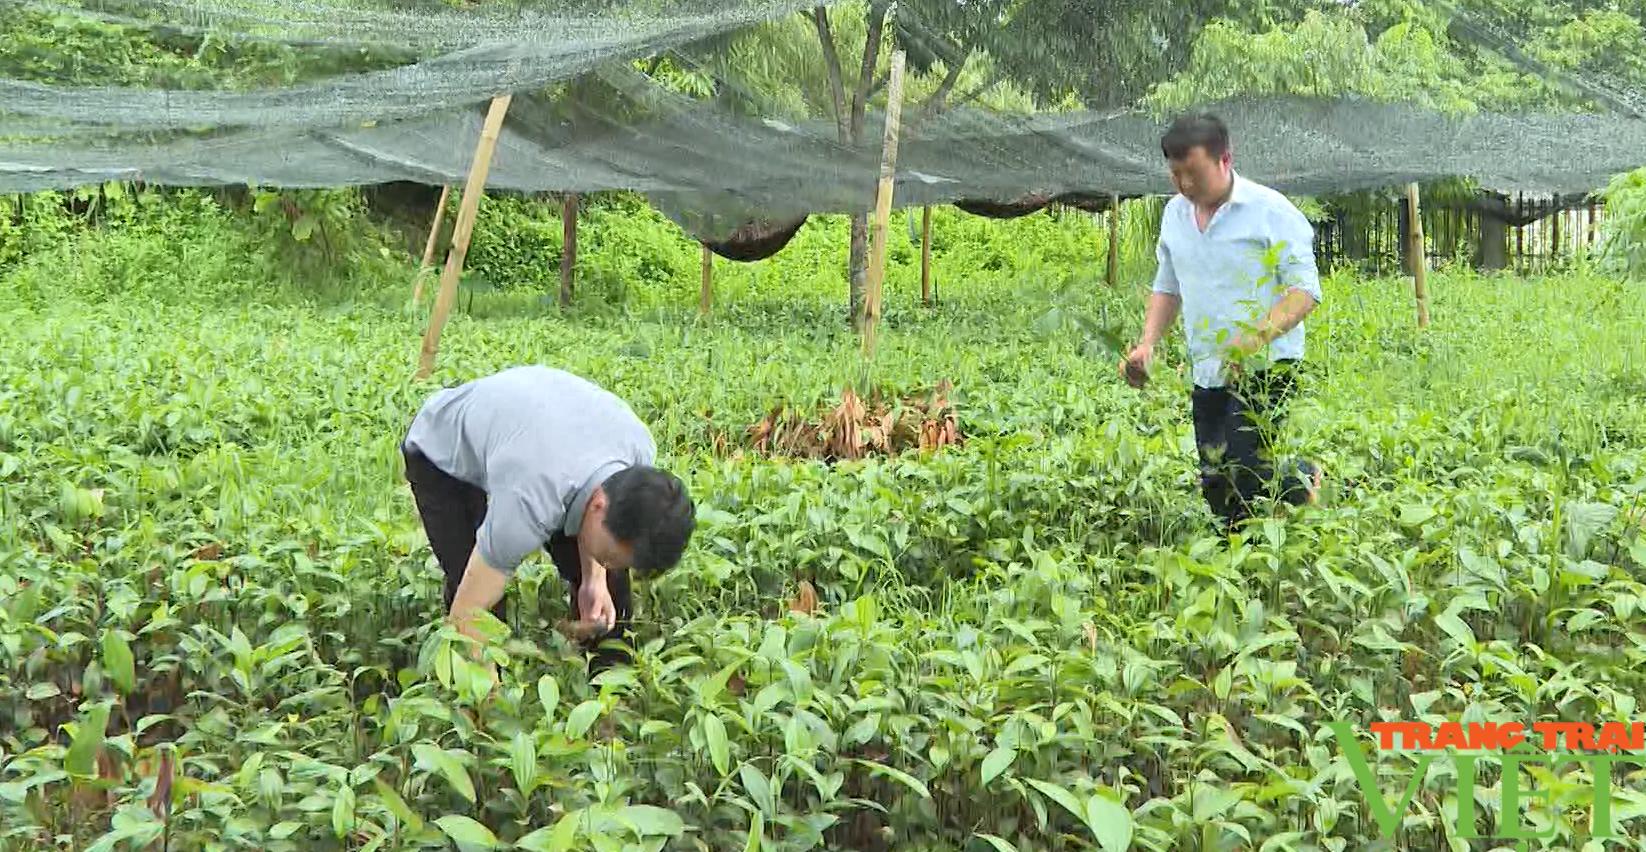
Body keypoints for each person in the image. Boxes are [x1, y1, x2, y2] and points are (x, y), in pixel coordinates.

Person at [400, 365, 695, 672]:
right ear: (598, 505)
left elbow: (600, 499)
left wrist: (595, 580)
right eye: (608, 556)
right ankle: (468, 702)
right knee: (477, 589)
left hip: (537, 434)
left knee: (609, 585)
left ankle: (610, 686)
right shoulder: (531, 497)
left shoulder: (638, 452)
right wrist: (485, 694)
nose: (607, 563)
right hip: (441, 448)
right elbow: (469, 612)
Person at [1120, 113, 1325, 535]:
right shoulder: (1174, 215)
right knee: (1215, 478)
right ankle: (1300, 476)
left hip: (1267, 365)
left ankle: (1248, 561)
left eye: (1193, 173)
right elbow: (1168, 285)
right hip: (1207, 365)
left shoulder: (1271, 212)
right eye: (1176, 174)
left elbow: (1304, 292)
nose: (1184, 185)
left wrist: (1252, 339)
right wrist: (1148, 343)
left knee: (1246, 475)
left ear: (1224, 160)